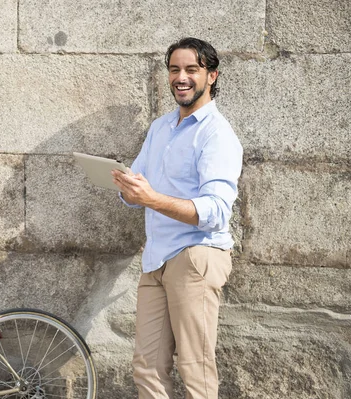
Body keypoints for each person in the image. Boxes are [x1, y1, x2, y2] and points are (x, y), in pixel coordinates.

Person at [111, 37, 243, 399]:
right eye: (174, 70)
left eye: (191, 70)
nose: (181, 78)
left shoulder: (217, 135)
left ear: (211, 76)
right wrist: (126, 186)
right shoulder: (160, 128)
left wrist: (150, 198)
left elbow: (216, 212)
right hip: (157, 259)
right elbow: (140, 190)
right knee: (147, 366)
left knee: (194, 368)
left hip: (195, 256)